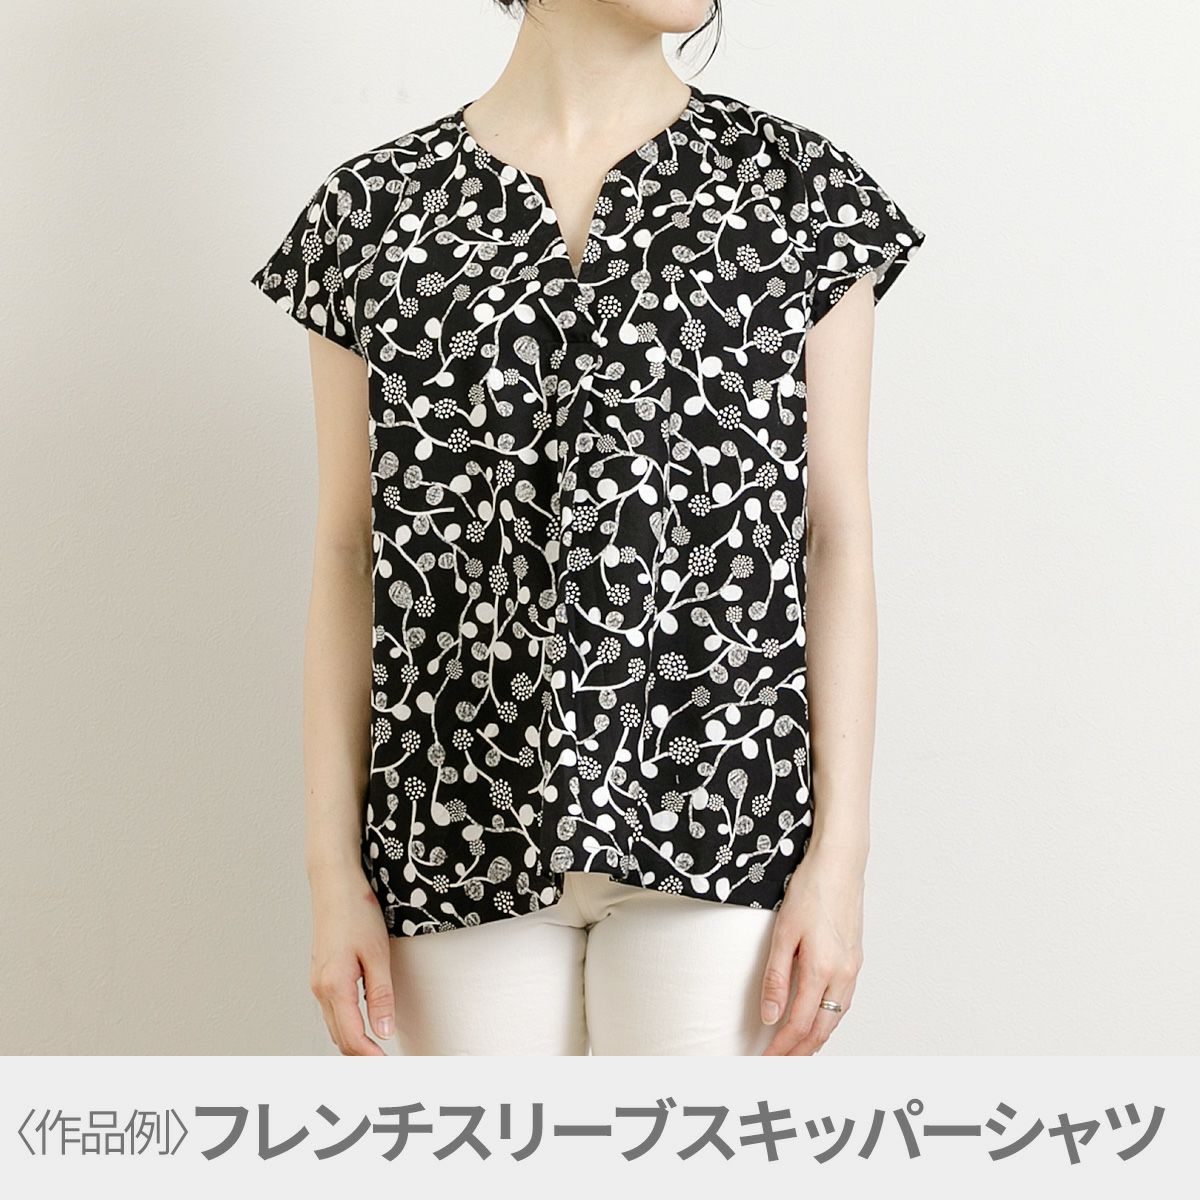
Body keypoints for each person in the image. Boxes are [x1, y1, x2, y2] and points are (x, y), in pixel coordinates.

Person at [249, 0, 925, 1056]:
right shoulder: (373, 214)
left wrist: (840, 863)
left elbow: (834, 540)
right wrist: (332, 876)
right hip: (452, 830)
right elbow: (348, 555)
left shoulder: (797, 193)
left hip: (720, 822)